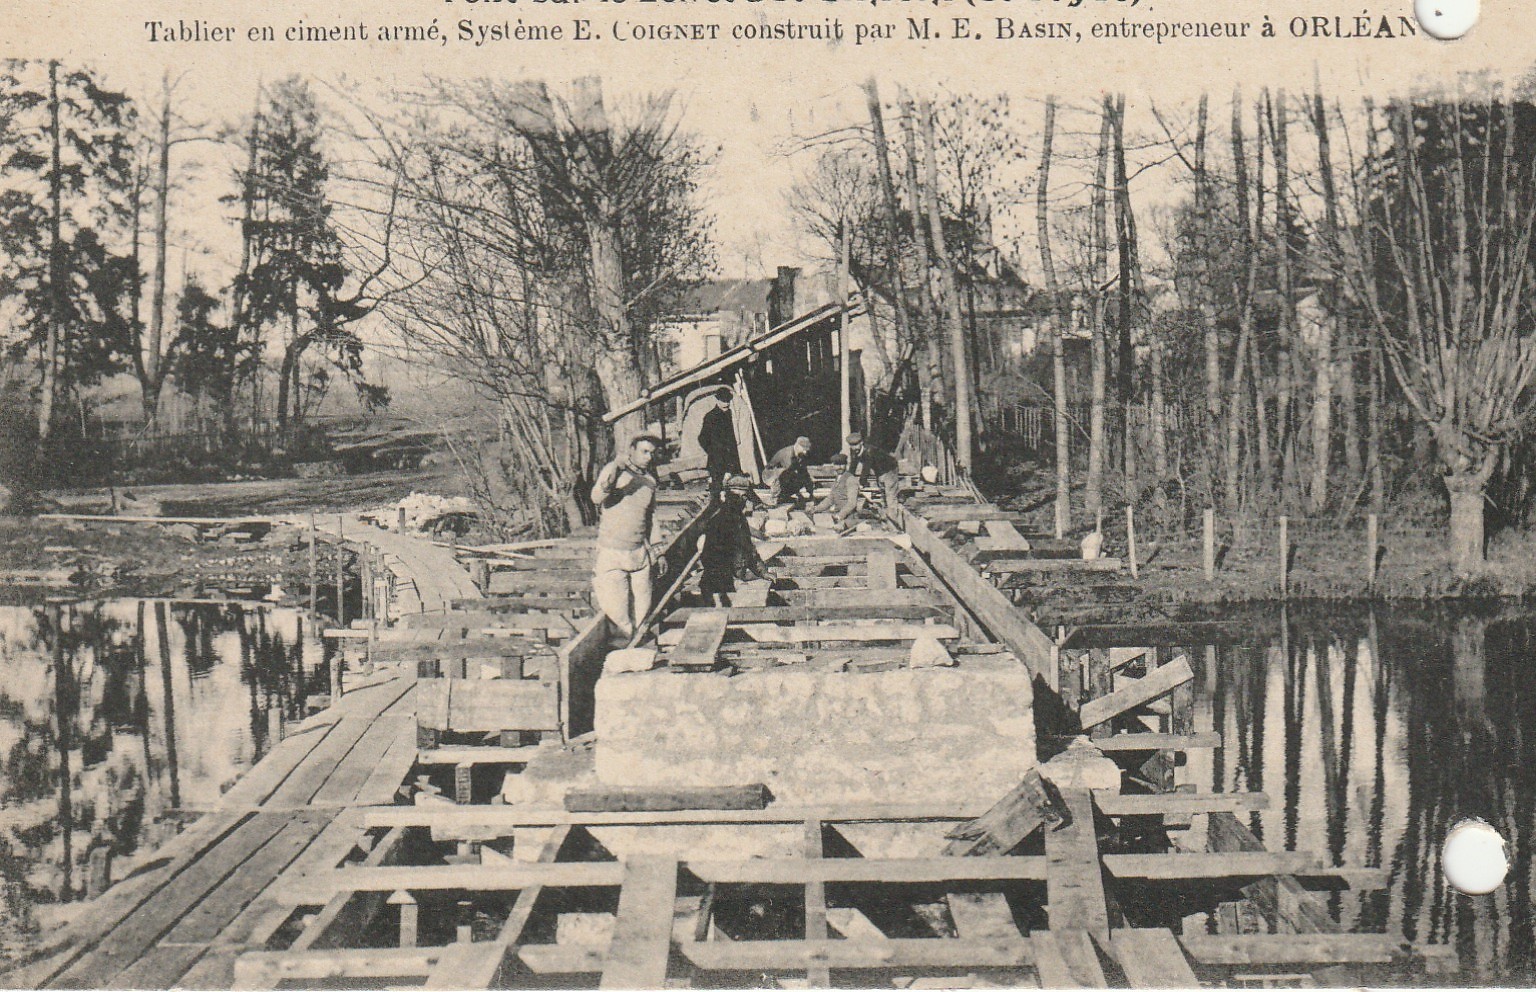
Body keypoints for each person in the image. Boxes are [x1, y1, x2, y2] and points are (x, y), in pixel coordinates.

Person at [590, 434, 663, 640]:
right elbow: (597, 496)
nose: (649, 457)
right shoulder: (614, 473)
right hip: (612, 553)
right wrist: (616, 467)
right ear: (631, 450)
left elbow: (651, 517)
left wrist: (658, 551)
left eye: (652, 452)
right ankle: (622, 652)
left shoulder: (649, 482)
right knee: (617, 614)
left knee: (642, 614)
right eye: (644, 451)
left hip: (639, 554)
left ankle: (638, 649)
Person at [699, 474, 773, 606]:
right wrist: (733, 580)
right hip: (718, 585)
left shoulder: (739, 519)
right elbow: (710, 559)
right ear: (727, 496)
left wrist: (763, 572)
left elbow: (749, 550)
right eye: (735, 496)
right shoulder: (719, 520)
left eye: (743, 497)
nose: (740, 500)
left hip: (734, 577)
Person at [697, 386, 740, 503]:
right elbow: (702, 438)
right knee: (716, 489)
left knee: (732, 488)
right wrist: (712, 450)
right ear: (717, 400)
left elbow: (731, 438)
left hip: (730, 457)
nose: (726, 403)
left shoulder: (729, 414)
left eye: (728, 401)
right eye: (723, 401)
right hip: (716, 459)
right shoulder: (710, 417)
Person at [846, 432, 900, 518]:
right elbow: (853, 466)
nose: (854, 448)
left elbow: (866, 468)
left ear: (861, 443)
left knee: (890, 497)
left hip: (890, 469)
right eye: (852, 445)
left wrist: (861, 484)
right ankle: (886, 519)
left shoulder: (869, 451)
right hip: (880, 472)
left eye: (856, 445)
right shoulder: (855, 452)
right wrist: (847, 479)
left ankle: (894, 523)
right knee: (884, 496)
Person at [811, 452, 861, 529]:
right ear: (833, 466)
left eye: (842, 464)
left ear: (846, 465)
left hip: (849, 518)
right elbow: (830, 499)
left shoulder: (851, 479)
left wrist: (840, 516)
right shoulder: (837, 479)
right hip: (838, 516)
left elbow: (852, 503)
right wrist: (816, 509)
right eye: (837, 464)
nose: (840, 467)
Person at [766, 435, 814, 507]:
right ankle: (775, 498)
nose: (805, 452)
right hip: (770, 475)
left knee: (801, 477)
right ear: (797, 446)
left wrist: (811, 494)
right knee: (788, 475)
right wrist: (799, 495)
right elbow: (788, 474)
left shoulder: (800, 455)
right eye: (804, 449)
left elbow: (804, 473)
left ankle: (784, 497)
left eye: (806, 450)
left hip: (785, 475)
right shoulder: (787, 455)